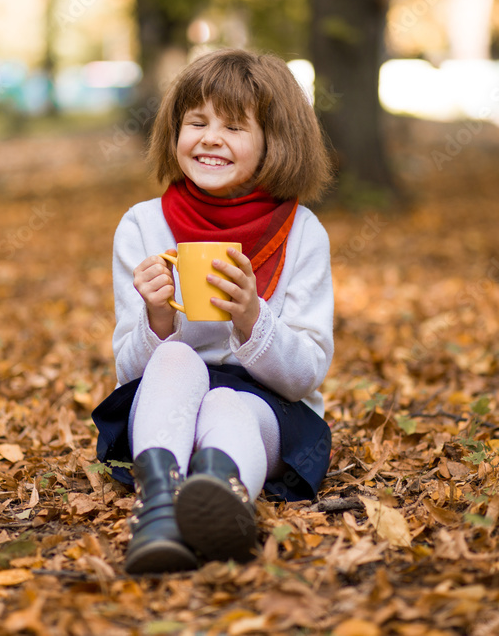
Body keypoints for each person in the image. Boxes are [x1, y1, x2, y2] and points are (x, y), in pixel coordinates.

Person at [91, 48, 335, 574]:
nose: (209, 138)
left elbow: (306, 375)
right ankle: (159, 503)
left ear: (276, 140)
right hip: (165, 406)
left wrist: (252, 316)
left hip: (266, 410)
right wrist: (156, 318)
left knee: (227, 404)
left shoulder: (302, 233)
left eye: (234, 126)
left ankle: (220, 499)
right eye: (196, 122)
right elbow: (129, 374)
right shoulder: (143, 226)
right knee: (177, 361)